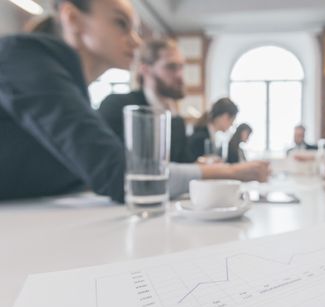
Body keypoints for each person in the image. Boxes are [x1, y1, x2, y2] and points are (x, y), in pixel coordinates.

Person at [0, 0, 268, 202]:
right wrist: (231, 172)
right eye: (121, 23)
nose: (137, 41)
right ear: (73, 19)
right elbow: (121, 175)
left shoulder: (66, 86)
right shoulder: (23, 57)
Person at [98, 38, 191, 163]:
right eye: (171, 67)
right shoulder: (117, 106)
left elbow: (181, 163)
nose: (180, 75)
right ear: (145, 70)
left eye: (181, 67)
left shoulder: (176, 119)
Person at [188, 97, 238, 162]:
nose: (231, 125)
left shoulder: (208, 134)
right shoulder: (201, 138)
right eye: (232, 120)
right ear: (225, 117)